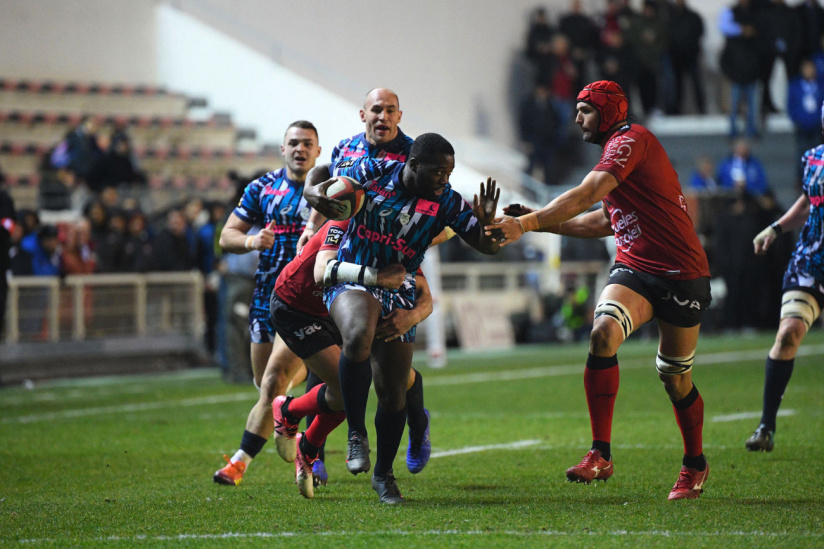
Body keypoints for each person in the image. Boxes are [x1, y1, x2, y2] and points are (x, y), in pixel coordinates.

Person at [486, 81, 712, 501]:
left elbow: (587, 195)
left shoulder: (631, 140)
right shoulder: (616, 155)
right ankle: (600, 454)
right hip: (636, 269)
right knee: (602, 333)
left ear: (609, 113)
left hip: (682, 273)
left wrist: (530, 223)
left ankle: (695, 463)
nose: (577, 118)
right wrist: (537, 219)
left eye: (586, 110)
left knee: (674, 378)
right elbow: (602, 221)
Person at [304, 134, 501, 504]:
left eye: (450, 171)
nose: (445, 178)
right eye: (439, 171)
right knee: (359, 333)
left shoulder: (447, 201)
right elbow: (323, 177)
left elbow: (486, 246)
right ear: (412, 164)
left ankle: (384, 476)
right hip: (354, 274)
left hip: (399, 284)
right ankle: (357, 434)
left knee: (393, 391)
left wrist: (487, 225)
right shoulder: (373, 169)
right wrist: (314, 194)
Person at [268, 218, 444, 497]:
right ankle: (297, 425)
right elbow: (321, 270)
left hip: (342, 311)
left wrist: (411, 317)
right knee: (346, 388)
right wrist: (377, 277)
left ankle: (418, 426)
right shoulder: (345, 224)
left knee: (393, 378)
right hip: (299, 308)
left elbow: (426, 296)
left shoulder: (396, 243)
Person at [212, 121, 321, 486]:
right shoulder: (262, 188)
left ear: (318, 151)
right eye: (294, 143)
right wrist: (252, 242)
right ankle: (296, 416)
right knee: (267, 385)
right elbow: (227, 235)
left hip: (305, 299)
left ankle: (239, 462)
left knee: (275, 379)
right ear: (282, 148)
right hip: (265, 296)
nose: (300, 149)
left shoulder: (331, 189)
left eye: (307, 143)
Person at [745, 100, 824, 452]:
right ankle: (766, 427)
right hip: (812, 260)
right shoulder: (813, 158)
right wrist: (775, 228)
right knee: (788, 334)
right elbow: (808, 202)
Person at [297, 88, 413, 251]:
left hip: (391, 247)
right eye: (376, 110)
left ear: (399, 116)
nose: (383, 117)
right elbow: (332, 193)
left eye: (390, 110)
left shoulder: (413, 154)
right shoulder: (344, 148)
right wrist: (310, 227)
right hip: (348, 242)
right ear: (363, 115)